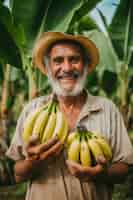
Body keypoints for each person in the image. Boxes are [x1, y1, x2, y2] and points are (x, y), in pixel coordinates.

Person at [6, 32, 133, 200]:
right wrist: (32, 163)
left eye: (74, 59)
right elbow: (17, 173)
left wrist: (100, 173)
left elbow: (123, 170)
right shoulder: (32, 110)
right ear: (48, 68)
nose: (66, 68)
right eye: (58, 60)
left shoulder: (107, 109)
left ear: (86, 65)